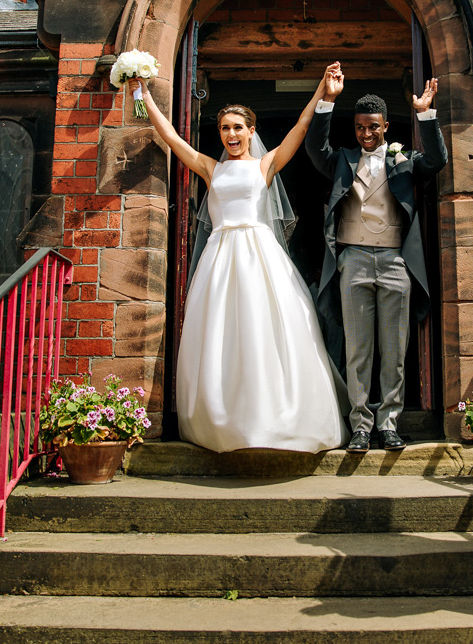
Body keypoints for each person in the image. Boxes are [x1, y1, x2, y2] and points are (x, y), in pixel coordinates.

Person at [128, 66, 347, 453]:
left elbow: (300, 125)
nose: (231, 134)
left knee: (265, 331)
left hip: (260, 256)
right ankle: (222, 420)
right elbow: (172, 138)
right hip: (219, 259)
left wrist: (323, 93)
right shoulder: (210, 169)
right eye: (225, 129)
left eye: (237, 128)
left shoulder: (266, 165)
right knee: (220, 335)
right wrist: (142, 94)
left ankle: (277, 418)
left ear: (251, 131)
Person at [305, 66, 447, 453]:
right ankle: (361, 427)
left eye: (374, 128)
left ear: (386, 126)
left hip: (395, 262)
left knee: (394, 350)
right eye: (360, 128)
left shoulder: (405, 158)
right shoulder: (342, 160)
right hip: (352, 260)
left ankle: (388, 423)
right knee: (358, 348)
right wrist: (327, 101)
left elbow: (436, 160)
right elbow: (315, 150)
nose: (367, 135)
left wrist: (424, 114)